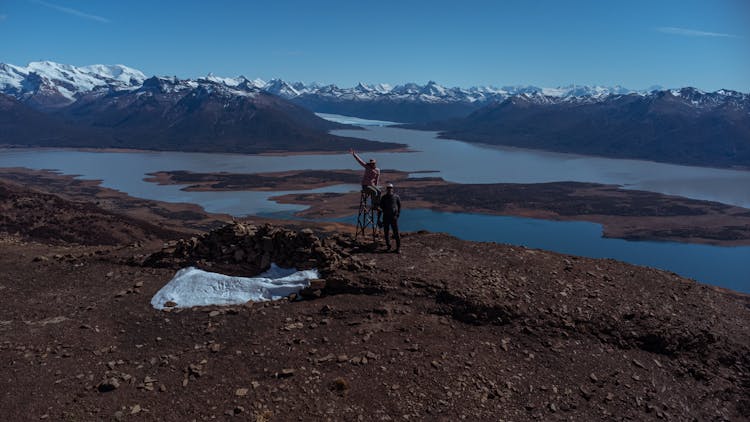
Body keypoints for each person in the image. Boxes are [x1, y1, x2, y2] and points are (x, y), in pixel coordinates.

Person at [350, 148, 381, 219]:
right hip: (365, 186)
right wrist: (354, 155)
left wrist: (376, 186)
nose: (372, 164)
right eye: (371, 163)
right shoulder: (367, 167)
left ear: (375, 163)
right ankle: (373, 206)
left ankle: (377, 205)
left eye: (373, 163)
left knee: (379, 191)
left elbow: (376, 180)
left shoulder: (377, 170)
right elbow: (360, 161)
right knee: (374, 192)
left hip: (372, 185)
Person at [379, 183, 401, 253]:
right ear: (386, 189)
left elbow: (399, 205)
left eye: (390, 188)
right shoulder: (383, 197)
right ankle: (389, 246)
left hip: (393, 218)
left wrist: (398, 214)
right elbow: (380, 208)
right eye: (388, 188)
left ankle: (398, 248)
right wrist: (379, 218)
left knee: (396, 233)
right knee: (386, 233)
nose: (389, 189)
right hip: (386, 217)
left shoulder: (396, 197)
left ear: (392, 189)